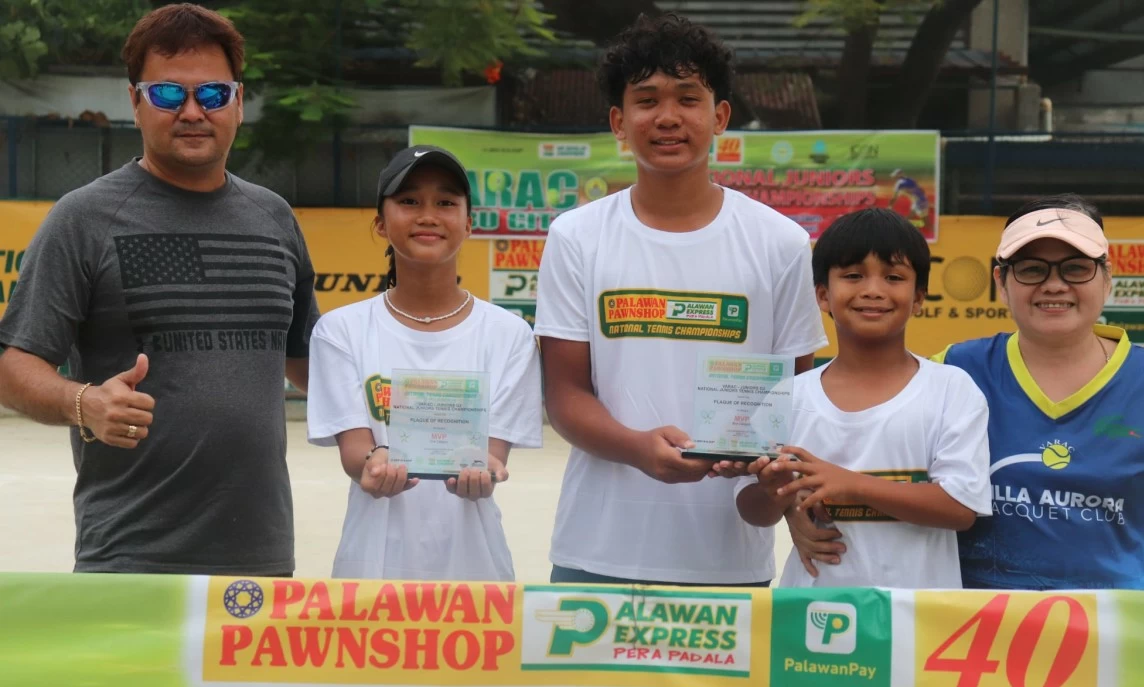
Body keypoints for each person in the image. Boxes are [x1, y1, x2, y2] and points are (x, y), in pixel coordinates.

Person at [0, 4, 319, 575]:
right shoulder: (84, 218)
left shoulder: (274, 218)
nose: (193, 112)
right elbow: (13, 364)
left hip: (261, 562)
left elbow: (310, 366)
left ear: (238, 102)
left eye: (213, 94)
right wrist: (84, 403)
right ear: (135, 101)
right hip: (129, 559)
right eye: (169, 94)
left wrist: (416, 398)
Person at [534, 14, 827, 587]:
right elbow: (565, 395)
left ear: (720, 116)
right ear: (619, 122)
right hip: (596, 553)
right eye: (646, 100)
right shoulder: (576, 236)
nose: (667, 117)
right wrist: (637, 448)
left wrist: (776, 487)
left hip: (728, 558)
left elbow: (794, 399)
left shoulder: (781, 242)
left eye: (688, 98)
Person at [796, 195, 1144, 593]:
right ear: (1001, 283)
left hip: (1122, 623)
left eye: (1076, 268)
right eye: (1031, 269)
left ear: (1107, 278)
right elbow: (849, 464)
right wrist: (792, 512)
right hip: (979, 623)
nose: (1054, 285)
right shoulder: (954, 370)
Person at [306, 146, 542, 580]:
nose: (428, 216)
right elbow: (355, 452)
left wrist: (486, 471)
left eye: (446, 202)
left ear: (468, 223)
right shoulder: (340, 331)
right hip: (370, 574)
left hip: (476, 575)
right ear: (380, 223)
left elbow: (493, 455)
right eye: (410, 201)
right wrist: (374, 463)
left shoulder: (510, 335)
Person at [734, 208, 991, 588]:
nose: (873, 290)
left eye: (893, 277)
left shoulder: (951, 389)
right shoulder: (788, 396)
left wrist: (851, 484)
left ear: (919, 298)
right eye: (853, 275)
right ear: (823, 295)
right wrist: (776, 493)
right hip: (811, 611)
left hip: (919, 614)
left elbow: (961, 508)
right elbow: (751, 510)